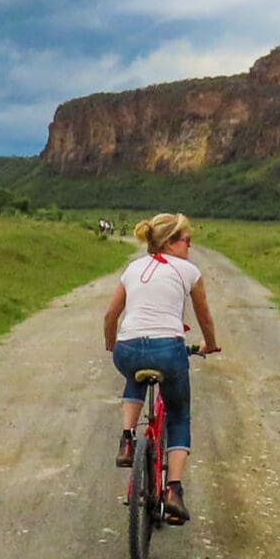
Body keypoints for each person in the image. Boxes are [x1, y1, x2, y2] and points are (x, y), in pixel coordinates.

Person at [102, 212, 220, 524]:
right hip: (168, 349)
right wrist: (210, 344)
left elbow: (110, 316)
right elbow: (204, 316)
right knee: (179, 413)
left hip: (127, 347)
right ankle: (173, 491)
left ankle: (127, 439)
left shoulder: (133, 268)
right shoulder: (189, 271)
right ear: (169, 243)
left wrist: (113, 346)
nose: (189, 245)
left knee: (134, 373)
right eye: (185, 239)